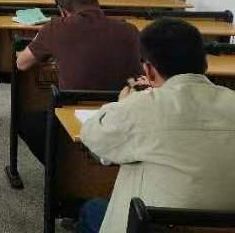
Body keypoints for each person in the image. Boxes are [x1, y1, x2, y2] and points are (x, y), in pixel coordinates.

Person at [79, 18, 235, 233]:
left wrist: (123, 104)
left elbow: (92, 136)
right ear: (204, 63)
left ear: (149, 70)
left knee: (92, 209)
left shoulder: (141, 106)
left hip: (157, 227)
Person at [15, 0, 141, 163]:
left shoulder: (55, 28)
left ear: (63, 10)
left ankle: (60, 168)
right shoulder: (130, 30)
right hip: (124, 113)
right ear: (95, 0)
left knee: (26, 122)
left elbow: (22, 63)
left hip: (77, 115)